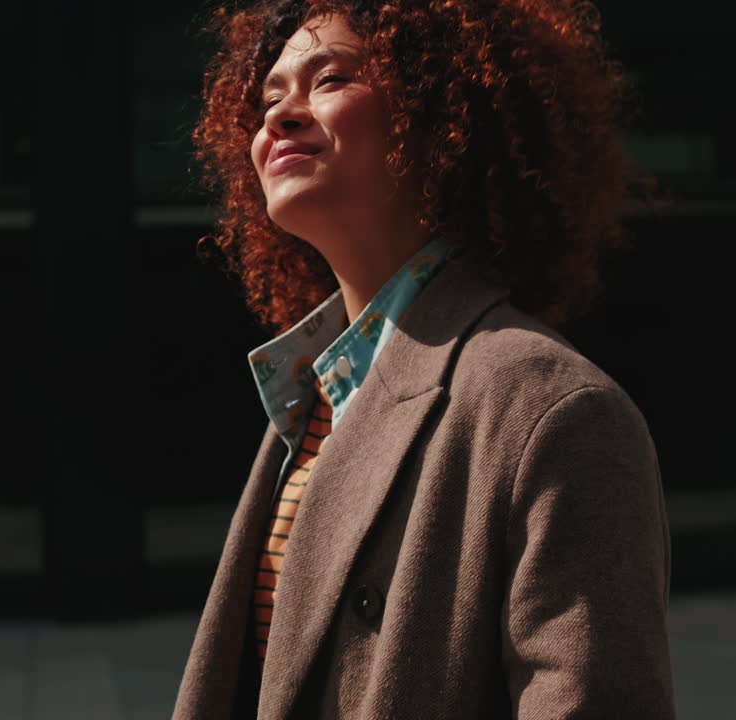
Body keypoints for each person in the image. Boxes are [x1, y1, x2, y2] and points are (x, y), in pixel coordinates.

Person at [174, 1, 674, 717]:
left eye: (332, 79)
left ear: (443, 112)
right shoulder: (314, 390)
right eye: (270, 98)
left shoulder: (553, 409)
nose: (280, 118)